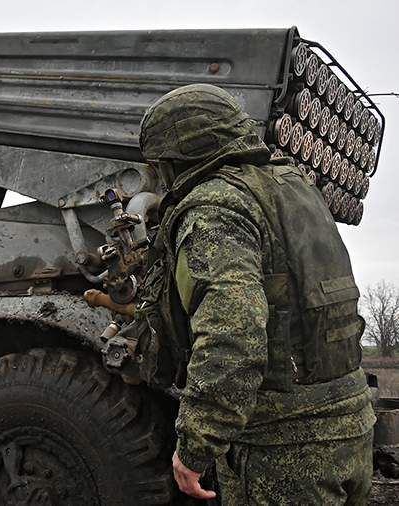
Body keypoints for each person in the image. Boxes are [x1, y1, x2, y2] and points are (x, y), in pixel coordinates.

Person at [139, 84, 375, 504]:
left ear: (178, 155)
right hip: (350, 424)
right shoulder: (295, 185)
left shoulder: (217, 207)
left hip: (285, 449)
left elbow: (234, 336)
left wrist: (196, 446)